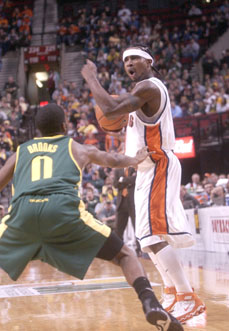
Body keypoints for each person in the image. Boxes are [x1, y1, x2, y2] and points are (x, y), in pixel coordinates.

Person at [0, 103, 183, 331]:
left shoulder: (21, 151)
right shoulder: (76, 147)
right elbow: (112, 160)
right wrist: (134, 160)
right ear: (64, 126)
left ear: (37, 129)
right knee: (125, 254)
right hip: (62, 211)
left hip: (22, 214)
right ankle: (150, 303)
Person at [81, 44, 206, 323]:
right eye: (126, 59)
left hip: (158, 162)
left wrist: (90, 77)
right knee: (145, 239)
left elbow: (110, 107)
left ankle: (188, 297)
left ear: (149, 61)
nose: (129, 63)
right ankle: (173, 292)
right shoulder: (138, 96)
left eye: (135, 58)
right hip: (145, 168)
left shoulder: (149, 87)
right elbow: (116, 114)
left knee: (152, 236)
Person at [113, 166, 141, 255]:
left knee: (137, 228)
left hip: (133, 203)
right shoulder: (117, 170)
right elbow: (115, 184)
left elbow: (135, 179)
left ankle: (140, 250)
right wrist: (128, 181)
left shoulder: (135, 168)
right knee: (118, 229)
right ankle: (117, 250)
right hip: (121, 203)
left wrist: (122, 180)